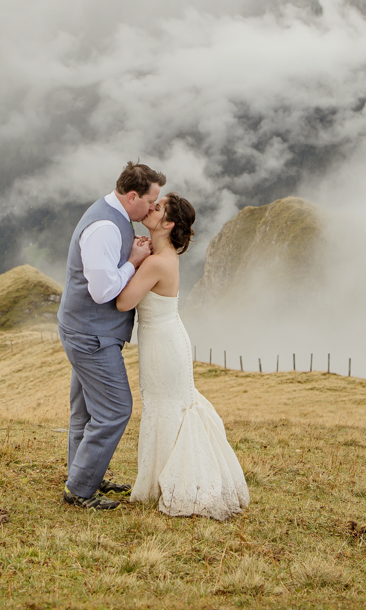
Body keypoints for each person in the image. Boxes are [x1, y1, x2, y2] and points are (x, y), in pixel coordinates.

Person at [116, 193, 249, 520]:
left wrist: (133, 259)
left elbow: (123, 302)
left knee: (165, 407)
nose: (151, 208)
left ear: (168, 223)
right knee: (171, 404)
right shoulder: (164, 254)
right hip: (168, 337)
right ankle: (169, 481)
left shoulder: (157, 261)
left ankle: (176, 484)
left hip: (162, 344)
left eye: (158, 208)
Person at [56, 161, 164, 510]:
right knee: (116, 409)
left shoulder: (114, 217)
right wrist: (133, 261)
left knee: (85, 410)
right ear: (133, 196)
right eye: (150, 201)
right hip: (91, 335)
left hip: (85, 329)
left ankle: (83, 474)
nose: (152, 208)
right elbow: (102, 292)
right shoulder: (105, 227)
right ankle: (80, 490)